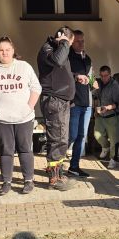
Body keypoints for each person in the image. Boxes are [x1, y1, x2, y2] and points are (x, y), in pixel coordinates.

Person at [0, 36, 41, 196]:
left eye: (7, 50)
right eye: (1, 50)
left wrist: (29, 107)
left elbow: (36, 87)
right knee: (6, 150)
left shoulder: (24, 66)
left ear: (13, 51)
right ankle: (6, 182)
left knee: (25, 148)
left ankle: (28, 180)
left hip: (24, 117)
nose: (4, 53)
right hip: (1, 118)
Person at [37, 27, 78, 190]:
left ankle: (59, 174)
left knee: (62, 139)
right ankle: (54, 180)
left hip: (62, 101)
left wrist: (75, 77)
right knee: (57, 140)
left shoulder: (57, 49)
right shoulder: (48, 49)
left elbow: (59, 72)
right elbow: (58, 61)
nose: (70, 46)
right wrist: (64, 43)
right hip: (54, 100)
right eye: (71, 42)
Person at [67, 30, 93, 178]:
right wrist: (76, 77)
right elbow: (63, 75)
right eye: (78, 41)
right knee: (71, 135)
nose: (81, 43)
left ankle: (74, 167)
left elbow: (91, 76)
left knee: (82, 136)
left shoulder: (87, 58)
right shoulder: (67, 57)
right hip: (74, 102)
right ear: (71, 42)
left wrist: (93, 82)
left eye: (83, 41)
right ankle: (55, 164)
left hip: (87, 103)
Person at [93, 65, 119, 169]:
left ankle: (113, 159)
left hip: (112, 116)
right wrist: (95, 109)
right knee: (97, 135)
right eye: (101, 76)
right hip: (100, 115)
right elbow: (95, 97)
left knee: (114, 140)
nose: (103, 78)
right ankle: (105, 147)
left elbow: (118, 104)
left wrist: (107, 107)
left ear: (110, 74)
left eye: (105, 76)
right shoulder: (98, 82)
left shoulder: (115, 85)